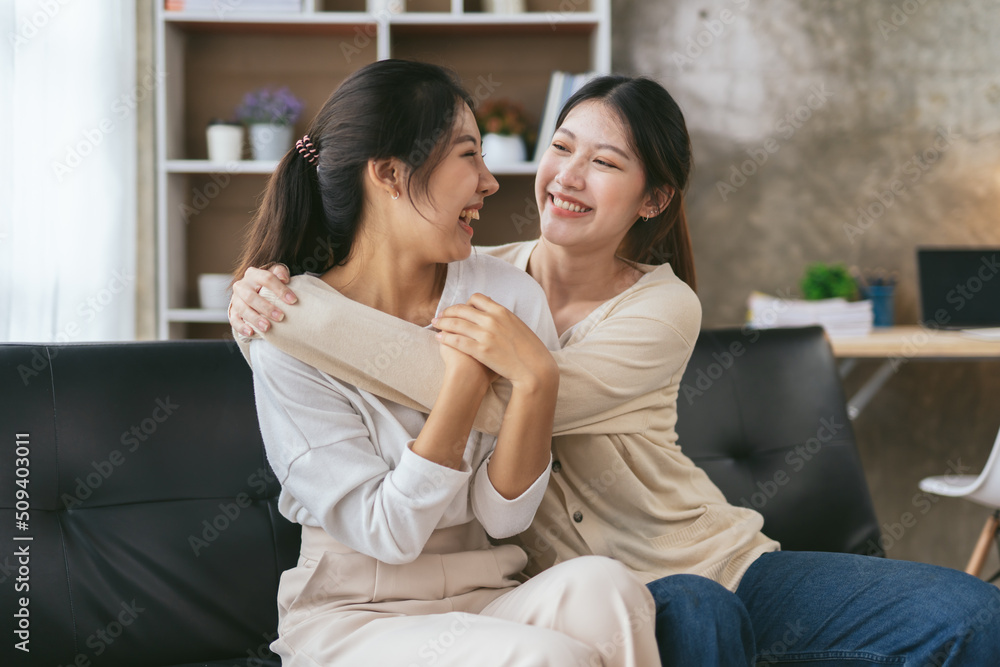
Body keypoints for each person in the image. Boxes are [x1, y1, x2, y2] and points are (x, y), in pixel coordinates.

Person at [232, 73, 1000, 666]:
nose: (566, 176)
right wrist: (269, 301)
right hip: (578, 591)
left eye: (604, 162)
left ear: (653, 197)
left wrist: (304, 318)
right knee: (691, 615)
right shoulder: (485, 274)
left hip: (704, 560)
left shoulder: (660, 309)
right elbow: (417, 325)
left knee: (974, 618)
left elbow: (508, 404)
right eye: (561, 147)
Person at [238, 59, 660, 667]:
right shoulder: (286, 326)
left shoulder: (504, 294)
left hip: (484, 594)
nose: (490, 182)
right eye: (469, 156)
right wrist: (463, 385)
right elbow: (388, 532)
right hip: (357, 618)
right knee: (543, 657)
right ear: (388, 173)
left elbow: (505, 514)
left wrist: (537, 378)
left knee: (609, 591)